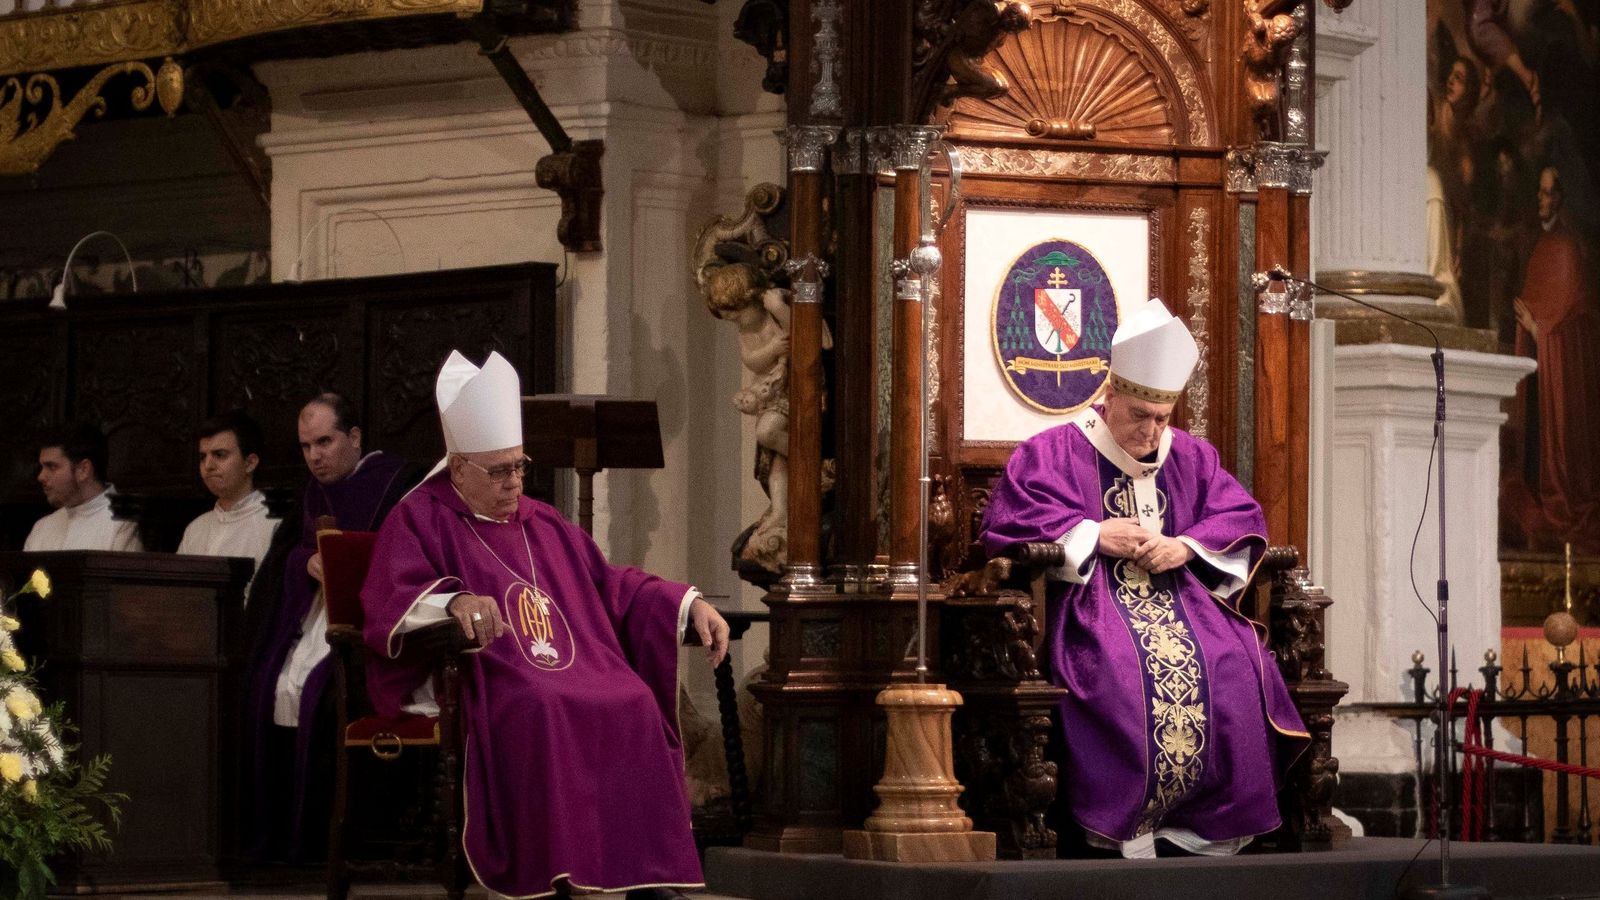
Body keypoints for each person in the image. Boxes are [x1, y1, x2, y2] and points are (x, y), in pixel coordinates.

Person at [361, 351, 729, 900]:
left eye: (520, 465)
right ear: (459, 468)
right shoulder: (418, 517)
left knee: (632, 698)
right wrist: (453, 602)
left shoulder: (544, 522)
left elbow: (608, 583)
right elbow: (392, 594)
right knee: (541, 702)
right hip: (483, 668)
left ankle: (643, 872)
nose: (515, 483)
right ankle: (554, 869)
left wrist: (686, 601)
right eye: (500, 470)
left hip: (571, 661)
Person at [980, 298, 1307, 859]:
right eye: (1139, 415)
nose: (1152, 431)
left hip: (1185, 602)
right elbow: (1007, 524)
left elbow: (1242, 517)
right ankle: (1124, 825)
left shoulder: (1191, 457)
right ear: (1109, 398)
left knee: (1234, 662)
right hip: (1091, 605)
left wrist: (1184, 546)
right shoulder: (1053, 452)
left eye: (1162, 418)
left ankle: (1202, 827)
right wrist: (1091, 534)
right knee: (1116, 669)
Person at [239, 393, 413, 862]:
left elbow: (407, 566)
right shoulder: (311, 493)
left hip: (366, 632)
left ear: (354, 438)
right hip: (313, 615)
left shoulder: (396, 484)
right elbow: (282, 562)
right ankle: (277, 840)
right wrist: (305, 561)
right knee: (264, 687)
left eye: (325, 441)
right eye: (305, 446)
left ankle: (325, 842)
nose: (314, 456)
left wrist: (345, 562)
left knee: (324, 694)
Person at [1508, 165, 1600, 552]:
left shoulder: (1565, 248)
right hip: (1538, 375)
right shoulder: (1542, 246)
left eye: (1549, 193)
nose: (1543, 200)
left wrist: (1534, 328)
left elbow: (1566, 324)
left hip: (1557, 376)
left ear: (1560, 197)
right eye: (1540, 193)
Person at [176, 411, 278, 585]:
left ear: (250, 463)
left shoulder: (275, 524)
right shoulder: (196, 528)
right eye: (203, 457)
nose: (208, 466)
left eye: (219, 455)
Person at [24, 422, 142, 552]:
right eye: (42, 467)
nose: (40, 476)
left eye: (52, 467)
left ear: (84, 470)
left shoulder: (125, 523)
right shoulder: (42, 527)